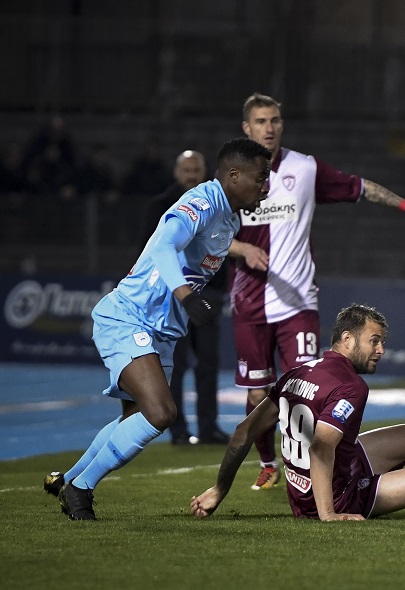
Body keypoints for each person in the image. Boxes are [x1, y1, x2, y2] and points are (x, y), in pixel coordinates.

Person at [229, 93, 405, 492]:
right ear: (247, 128)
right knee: (258, 394)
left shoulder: (305, 168)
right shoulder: (234, 175)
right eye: (261, 121)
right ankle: (267, 462)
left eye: (275, 120)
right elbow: (205, 237)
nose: (269, 128)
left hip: (297, 302)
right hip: (249, 304)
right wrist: (240, 247)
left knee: (310, 389)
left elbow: (359, 187)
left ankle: (313, 472)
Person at [42, 138, 272, 520]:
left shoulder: (231, 217)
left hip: (162, 333)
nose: (265, 186)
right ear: (233, 175)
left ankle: (67, 477)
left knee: (135, 418)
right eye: (261, 177)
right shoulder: (203, 201)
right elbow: (165, 245)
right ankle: (79, 490)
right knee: (162, 413)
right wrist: (185, 295)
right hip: (129, 317)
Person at [190, 303, 405, 521]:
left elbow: (244, 431)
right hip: (336, 498)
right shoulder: (351, 386)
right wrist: (329, 515)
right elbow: (320, 448)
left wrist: (219, 489)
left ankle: (379, 484)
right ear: (348, 338)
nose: (381, 350)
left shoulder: (298, 372)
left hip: (306, 488)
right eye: (374, 341)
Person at [143, 150, 230, 446]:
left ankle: (208, 427)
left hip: (209, 296)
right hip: (172, 300)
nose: (192, 175)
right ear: (176, 173)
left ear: (205, 171)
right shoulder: (159, 206)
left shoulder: (217, 206)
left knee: (208, 363)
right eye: (187, 170)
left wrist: (218, 290)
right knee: (174, 365)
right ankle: (177, 429)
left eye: (197, 169)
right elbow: (151, 252)